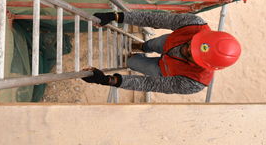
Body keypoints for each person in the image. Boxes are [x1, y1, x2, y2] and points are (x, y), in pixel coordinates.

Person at [82, 10, 241, 94]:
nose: (185, 49)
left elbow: (149, 83)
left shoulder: (194, 83)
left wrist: (109, 80)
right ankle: (143, 47)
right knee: (153, 44)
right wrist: (115, 16)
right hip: (168, 43)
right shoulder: (193, 24)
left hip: (163, 70)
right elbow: (152, 19)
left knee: (132, 63)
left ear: (204, 66)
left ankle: (135, 55)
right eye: (192, 43)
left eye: (191, 54)